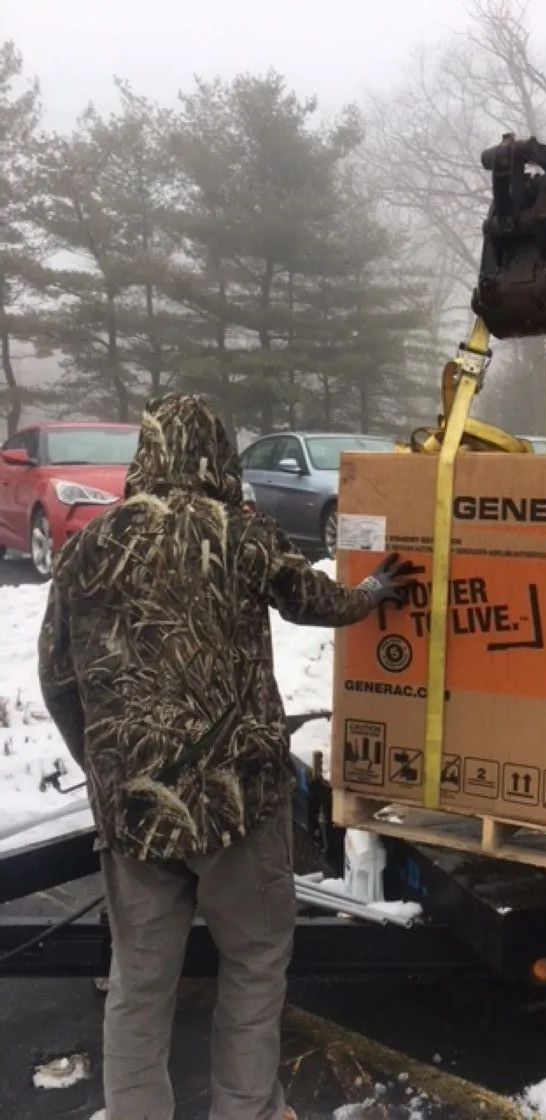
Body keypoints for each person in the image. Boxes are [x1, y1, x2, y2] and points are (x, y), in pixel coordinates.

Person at [38, 394, 416, 1120]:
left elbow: (56, 675)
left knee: (140, 982)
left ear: (147, 452)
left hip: (135, 812)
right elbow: (315, 600)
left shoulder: (89, 544)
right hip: (239, 804)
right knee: (253, 962)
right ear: (217, 453)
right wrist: (373, 591)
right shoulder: (238, 533)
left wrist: (107, 770)